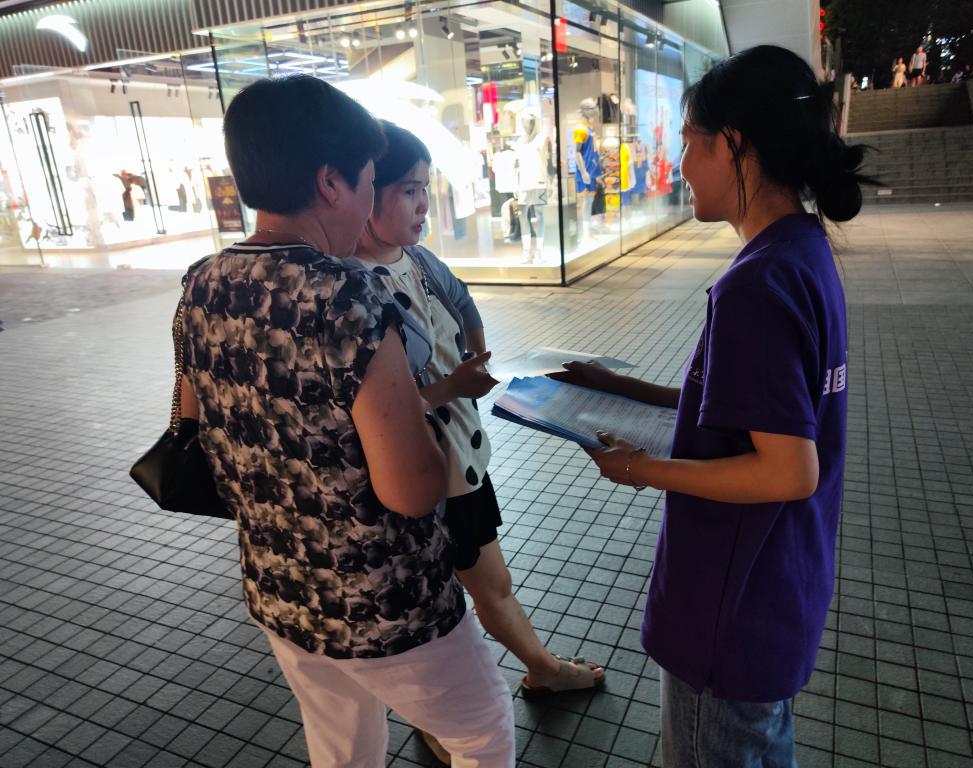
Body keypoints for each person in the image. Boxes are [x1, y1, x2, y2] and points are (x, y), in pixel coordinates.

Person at [177, 75, 515, 767]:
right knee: (482, 732)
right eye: (367, 180)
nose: (368, 201)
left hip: (279, 586)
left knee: (342, 745)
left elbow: (195, 422)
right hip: (384, 598)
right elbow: (411, 490)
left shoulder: (201, 282)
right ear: (330, 181)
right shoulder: (345, 293)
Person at [552, 45, 868, 767]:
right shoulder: (802, 251)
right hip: (778, 586)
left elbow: (788, 469)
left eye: (691, 143)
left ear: (733, 145)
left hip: (731, 607)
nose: (681, 165)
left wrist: (639, 470)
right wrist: (618, 385)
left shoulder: (755, 285)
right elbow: (753, 412)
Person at [351, 123, 606, 719]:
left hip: (459, 458)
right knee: (459, 595)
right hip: (416, 472)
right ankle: (533, 677)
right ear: (367, 193)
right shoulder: (351, 288)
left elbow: (463, 301)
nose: (424, 204)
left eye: (426, 188)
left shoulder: (418, 260)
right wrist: (452, 386)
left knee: (475, 588)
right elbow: (365, 411)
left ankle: (522, 679)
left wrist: (476, 357)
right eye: (408, 190)